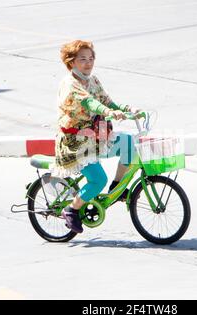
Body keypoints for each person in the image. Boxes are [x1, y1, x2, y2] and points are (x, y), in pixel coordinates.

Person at [53, 39, 141, 233]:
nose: (88, 63)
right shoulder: (70, 84)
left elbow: (107, 101)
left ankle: (117, 188)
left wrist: (128, 110)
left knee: (128, 144)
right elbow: (89, 103)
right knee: (97, 180)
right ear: (71, 61)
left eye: (91, 58)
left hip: (97, 135)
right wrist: (107, 112)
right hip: (76, 142)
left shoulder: (93, 80)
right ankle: (71, 210)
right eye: (82, 59)